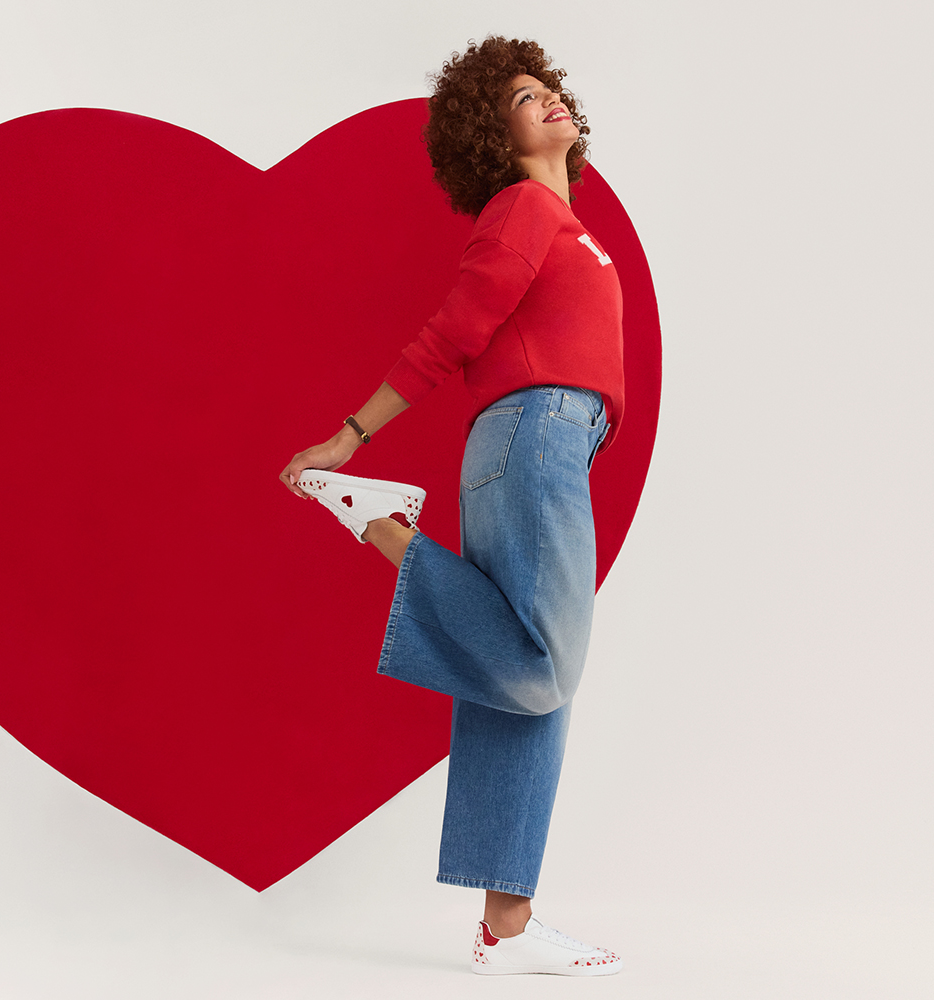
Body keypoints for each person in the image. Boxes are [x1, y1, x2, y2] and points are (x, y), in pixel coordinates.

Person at [276, 36, 627, 978]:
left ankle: (504, 927)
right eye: (521, 96)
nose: (548, 99)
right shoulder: (522, 208)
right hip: (533, 436)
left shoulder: (564, 217)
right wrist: (352, 434)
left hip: (546, 443)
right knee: (547, 670)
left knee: (514, 679)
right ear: (491, 132)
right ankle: (384, 528)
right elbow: (455, 331)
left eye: (548, 86)